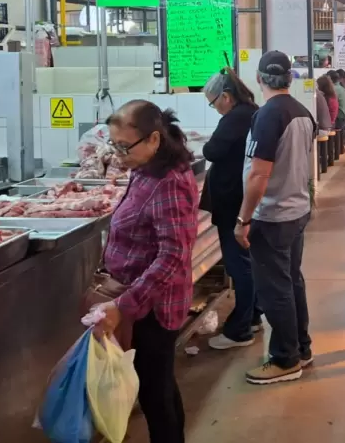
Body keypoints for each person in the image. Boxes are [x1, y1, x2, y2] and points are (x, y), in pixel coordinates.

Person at [91, 101, 198, 443]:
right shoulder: (148, 168)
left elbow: (173, 256)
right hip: (142, 299)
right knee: (160, 383)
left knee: (155, 393)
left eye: (124, 146)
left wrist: (123, 306)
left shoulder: (167, 183)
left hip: (154, 305)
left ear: (154, 139)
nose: (119, 154)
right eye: (114, 145)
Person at [234, 51, 315, 385]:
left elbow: (258, 175)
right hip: (297, 209)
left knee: (274, 290)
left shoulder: (268, 115)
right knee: (292, 281)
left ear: (258, 79)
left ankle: (285, 359)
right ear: (290, 78)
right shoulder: (303, 112)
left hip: (273, 214)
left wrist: (243, 219)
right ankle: (301, 348)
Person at [200, 70, 264, 351]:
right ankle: (253, 316)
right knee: (247, 261)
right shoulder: (251, 112)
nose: (215, 108)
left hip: (232, 202)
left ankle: (240, 330)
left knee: (240, 265)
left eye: (213, 103)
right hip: (242, 198)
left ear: (226, 97)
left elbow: (211, 151)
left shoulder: (235, 118)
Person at [328, 70, 345, 144]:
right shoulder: (342, 88)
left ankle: (330, 149)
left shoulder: (334, 89)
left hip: (339, 119)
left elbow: (329, 104)